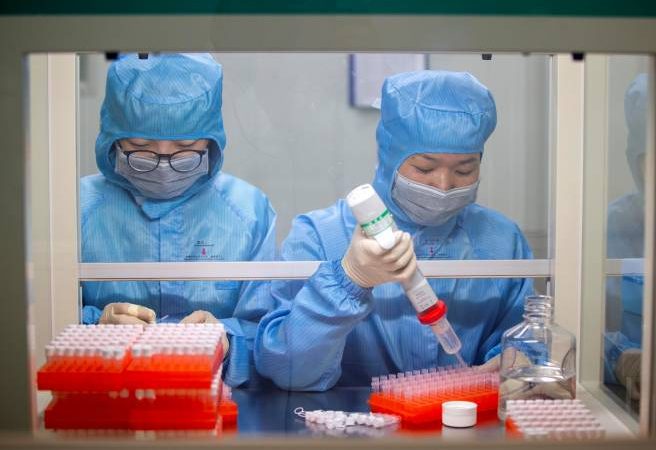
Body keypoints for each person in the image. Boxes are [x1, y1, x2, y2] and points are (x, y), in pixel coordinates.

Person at [254, 71, 533, 391]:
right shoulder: (319, 236)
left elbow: (523, 339)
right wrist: (349, 279)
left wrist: (514, 360)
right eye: (425, 168)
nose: (443, 185)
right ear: (390, 158)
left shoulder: (502, 241)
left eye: (464, 169)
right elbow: (287, 372)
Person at [80, 53, 276, 386]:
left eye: (185, 148)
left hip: (215, 402)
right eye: (141, 147)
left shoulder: (248, 211)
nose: (163, 165)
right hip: (105, 399)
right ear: (113, 139)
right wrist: (94, 328)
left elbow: (273, 341)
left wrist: (226, 339)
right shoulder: (77, 208)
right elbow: (39, 317)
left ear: (211, 141)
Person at [603, 73, 648, 403]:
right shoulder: (615, 224)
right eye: (655, 159)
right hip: (633, 400)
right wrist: (620, 357)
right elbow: (580, 324)